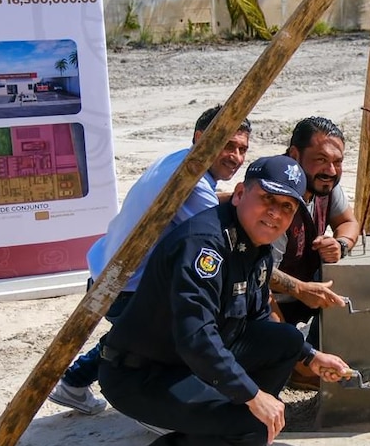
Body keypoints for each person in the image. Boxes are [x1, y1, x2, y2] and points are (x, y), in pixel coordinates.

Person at [100, 155, 352, 446]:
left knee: (287, 340)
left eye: (287, 207)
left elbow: (258, 319)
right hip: (143, 375)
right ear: (238, 194)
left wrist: (311, 356)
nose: (275, 213)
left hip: (187, 362)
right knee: (255, 424)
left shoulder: (255, 244)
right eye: (267, 199)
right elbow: (197, 338)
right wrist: (251, 395)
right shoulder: (205, 245)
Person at [48, 105, 251, 415]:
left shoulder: (178, 159)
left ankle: (74, 382)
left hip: (104, 269)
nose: (236, 157)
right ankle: (160, 412)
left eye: (242, 149)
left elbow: (210, 200)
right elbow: (218, 236)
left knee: (127, 336)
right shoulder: (193, 184)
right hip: (126, 287)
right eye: (228, 145)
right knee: (177, 335)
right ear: (202, 138)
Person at [269, 117, 359, 389]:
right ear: (295, 155)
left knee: (344, 270)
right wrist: (300, 289)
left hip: (301, 292)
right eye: (320, 159)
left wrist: (340, 244)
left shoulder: (325, 186)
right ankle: (297, 365)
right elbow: (257, 274)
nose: (330, 170)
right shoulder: (277, 195)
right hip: (268, 298)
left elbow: (349, 223)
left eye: (337, 162)